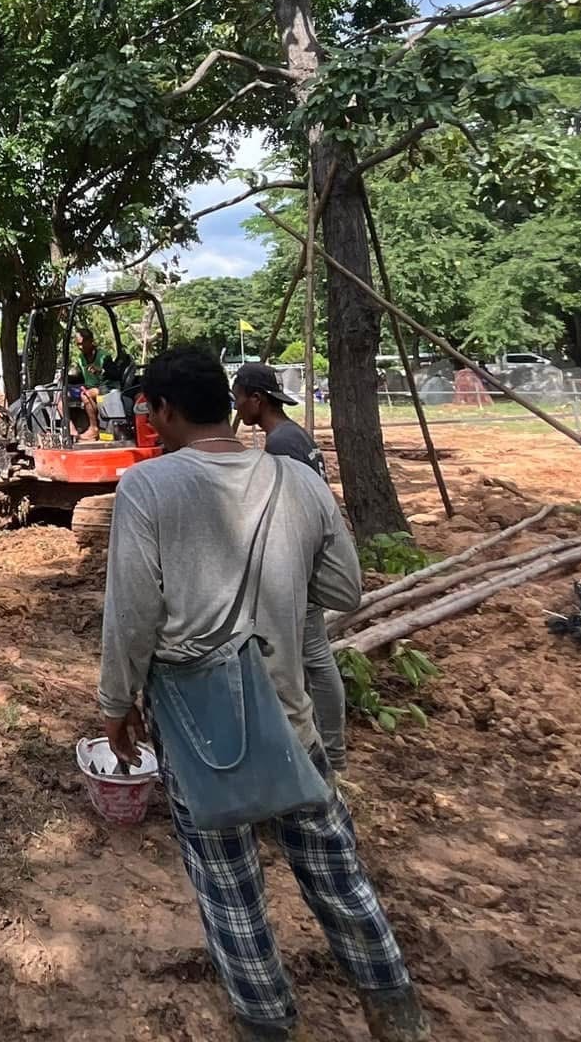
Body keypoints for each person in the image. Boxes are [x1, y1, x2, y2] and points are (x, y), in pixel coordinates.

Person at [99, 348, 427, 1042]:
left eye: (147, 410)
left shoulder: (147, 488)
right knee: (337, 871)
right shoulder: (297, 480)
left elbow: (132, 613)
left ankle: (268, 1023)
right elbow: (344, 590)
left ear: (162, 409)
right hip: (290, 714)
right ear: (228, 400)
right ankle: (393, 1008)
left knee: (230, 890)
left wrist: (116, 702)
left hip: (198, 726)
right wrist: (278, 599)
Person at [233, 361, 346, 774]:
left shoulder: (281, 445)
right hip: (312, 556)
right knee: (313, 657)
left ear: (257, 399)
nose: (237, 405)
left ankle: (327, 752)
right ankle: (327, 745)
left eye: (239, 397)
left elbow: (289, 510)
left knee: (312, 658)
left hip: (300, 563)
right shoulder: (294, 435)